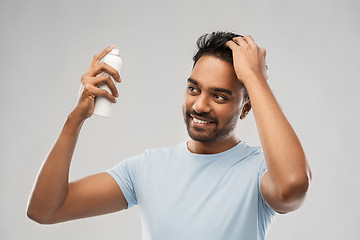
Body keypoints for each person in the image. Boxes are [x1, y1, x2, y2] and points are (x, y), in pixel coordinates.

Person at [27, 31, 312, 240]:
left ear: (246, 107)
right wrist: (75, 118)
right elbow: (46, 210)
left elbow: (293, 186)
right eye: (193, 89)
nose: (200, 105)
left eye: (219, 96)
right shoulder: (146, 168)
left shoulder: (260, 171)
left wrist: (255, 78)